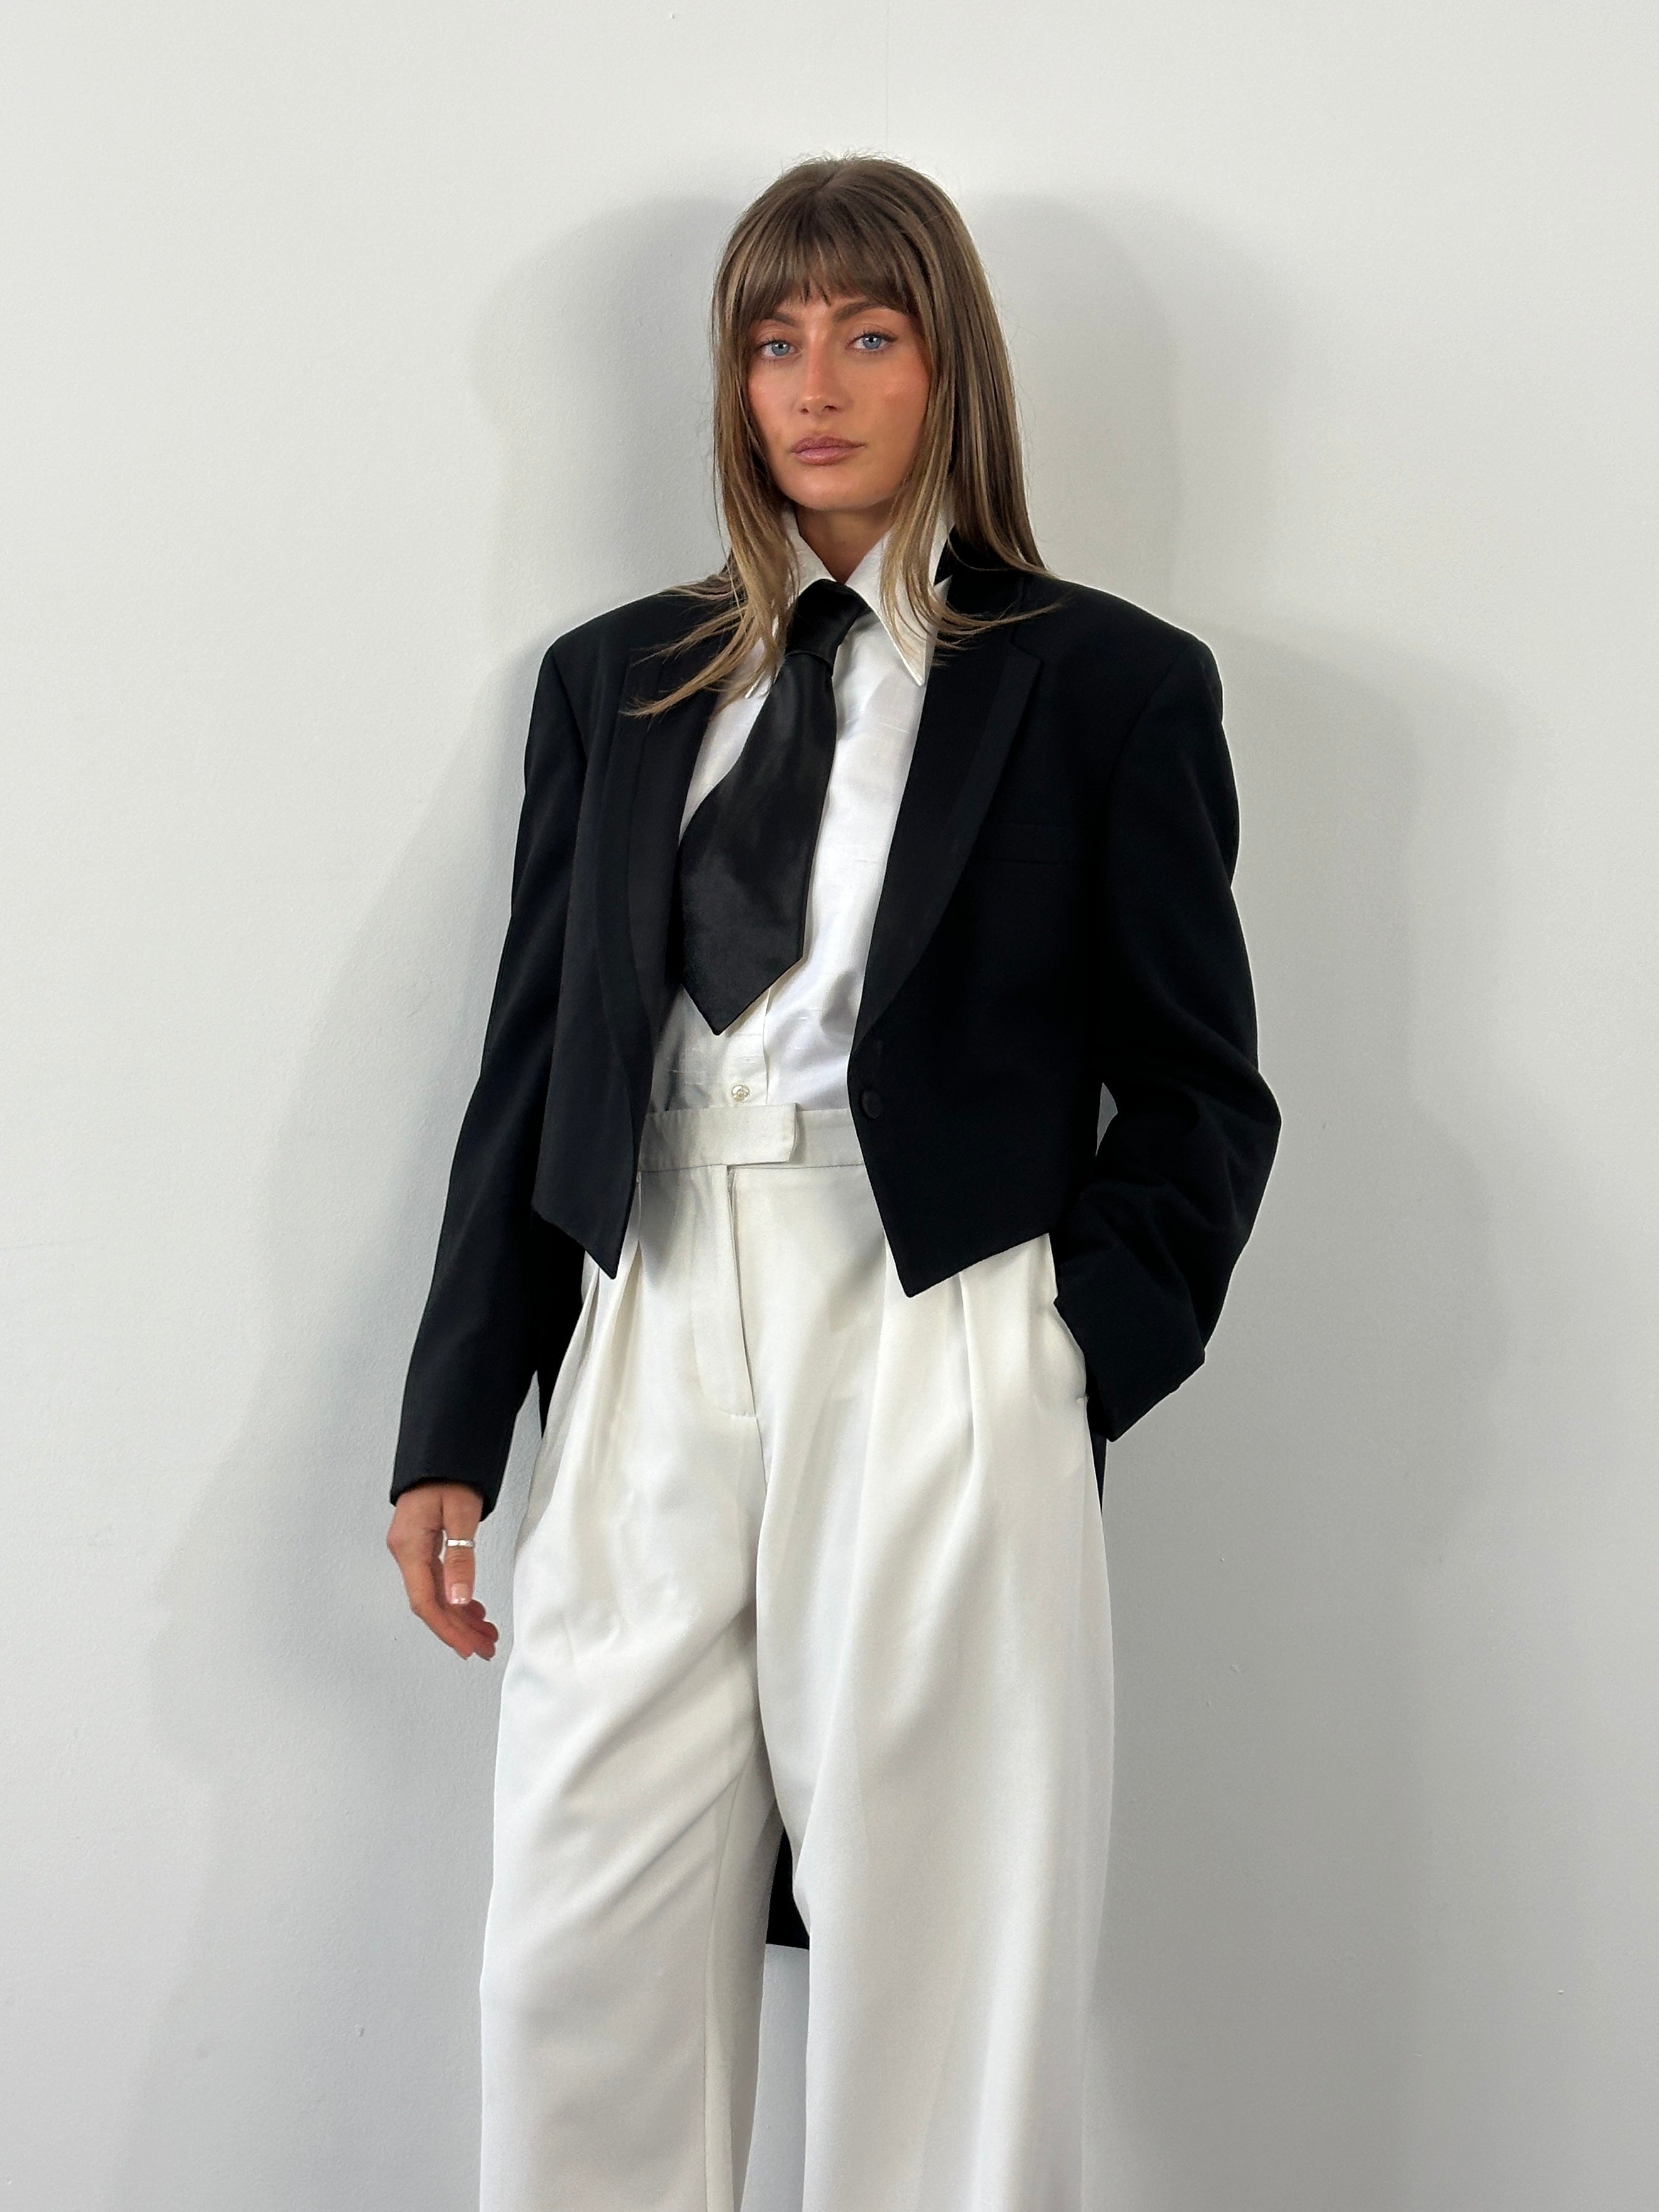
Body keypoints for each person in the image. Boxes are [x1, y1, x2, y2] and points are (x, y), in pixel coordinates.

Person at [384, 154, 1279, 2212]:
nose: (816, 384)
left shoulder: (1107, 684)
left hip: (934, 1310)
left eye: (871, 333)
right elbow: (531, 1068)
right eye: (773, 341)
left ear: (951, 364)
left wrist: (1059, 1359)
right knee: (577, 1934)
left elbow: (1201, 1089)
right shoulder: (615, 681)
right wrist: (455, 1420)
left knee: (942, 1945)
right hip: (649, 1302)